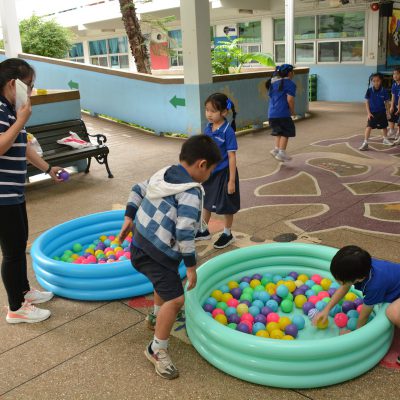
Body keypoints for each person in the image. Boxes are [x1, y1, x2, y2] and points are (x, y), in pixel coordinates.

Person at [118, 135, 221, 380]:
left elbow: (137, 189)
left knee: (164, 281)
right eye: (211, 170)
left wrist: (129, 217)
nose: (209, 176)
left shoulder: (164, 173)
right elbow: (184, 231)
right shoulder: (191, 192)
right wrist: (191, 266)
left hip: (141, 244)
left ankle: (156, 316)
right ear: (202, 164)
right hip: (156, 252)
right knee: (175, 299)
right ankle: (157, 349)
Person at [0, 58, 63, 324]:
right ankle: (16, 308)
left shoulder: (12, 110)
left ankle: (24, 292)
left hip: (13, 191)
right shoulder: (3, 110)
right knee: (12, 252)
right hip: (2, 195)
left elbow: (23, 146)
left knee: (18, 244)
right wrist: (21, 120)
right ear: (12, 84)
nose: (32, 91)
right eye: (29, 85)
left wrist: (48, 168)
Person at [314, 245, 400, 363]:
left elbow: (364, 315)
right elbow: (345, 287)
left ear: (359, 279)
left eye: (340, 281)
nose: (339, 283)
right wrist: (326, 310)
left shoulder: (374, 285)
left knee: (392, 312)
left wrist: (355, 335)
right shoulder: (361, 266)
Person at [195, 93, 240, 249]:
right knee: (206, 202)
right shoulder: (208, 128)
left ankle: (227, 233)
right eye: (207, 110)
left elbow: (232, 156)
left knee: (227, 205)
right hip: (210, 174)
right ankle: (203, 230)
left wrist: (231, 181)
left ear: (224, 112)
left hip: (225, 174)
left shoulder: (228, 131)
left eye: (213, 111)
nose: (209, 114)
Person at [266, 64, 296, 162]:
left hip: (272, 113)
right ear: (290, 73)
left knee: (279, 132)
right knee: (287, 131)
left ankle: (276, 150)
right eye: (293, 72)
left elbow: (271, 96)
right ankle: (281, 153)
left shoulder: (273, 83)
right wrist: (292, 111)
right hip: (283, 113)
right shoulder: (290, 84)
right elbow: (290, 100)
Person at [359, 73, 393, 151]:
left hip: (382, 112)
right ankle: (365, 142)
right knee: (369, 127)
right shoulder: (369, 90)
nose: (376, 82)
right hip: (372, 113)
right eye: (373, 81)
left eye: (378, 81)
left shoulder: (384, 91)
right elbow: (367, 102)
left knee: (384, 126)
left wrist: (388, 112)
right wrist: (368, 113)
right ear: (371, 82)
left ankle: (385, 139)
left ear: (381, 81)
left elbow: (387, 102)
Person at [388, 68, 400, 141]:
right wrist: (392, 106)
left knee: (399, 121)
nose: (395, 75)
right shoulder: (394, 85)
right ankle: (392, 131)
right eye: (394, 74)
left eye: (397, 74)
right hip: (395, 105)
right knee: (390, 117)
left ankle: (398, 133)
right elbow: (393, 96)